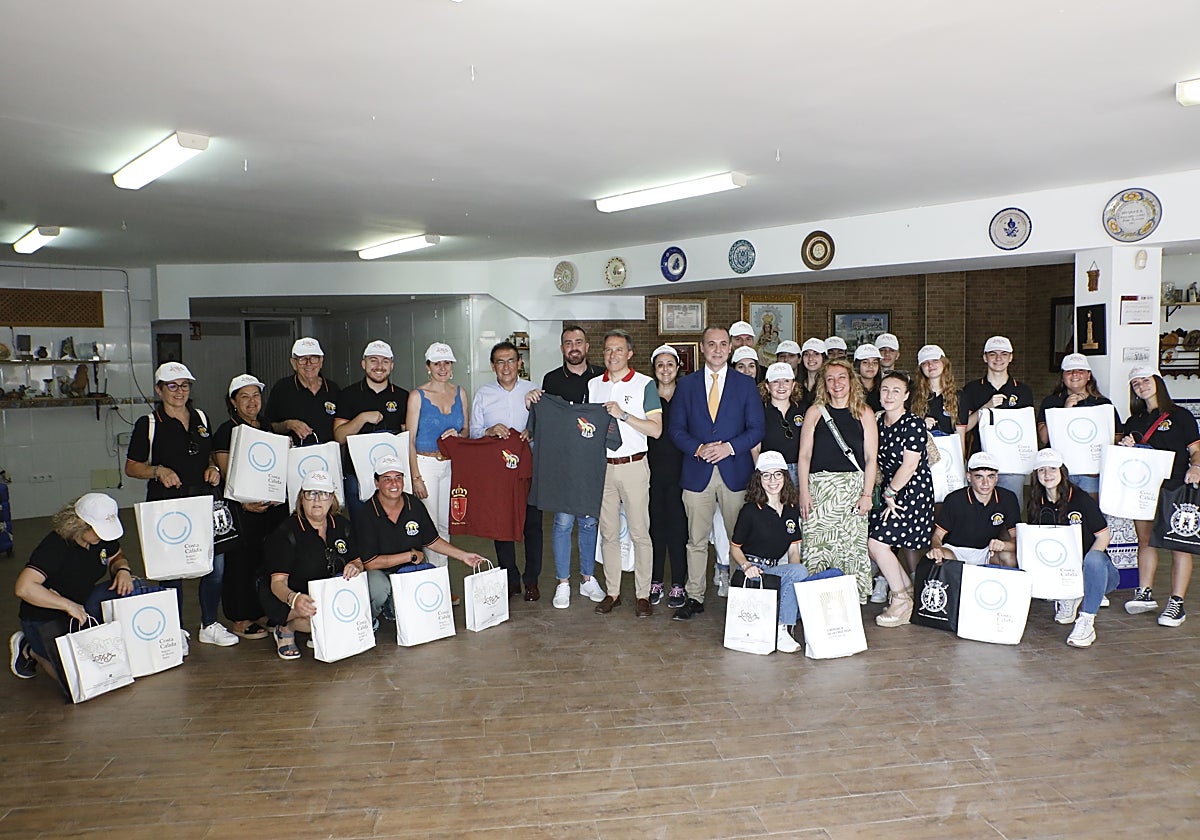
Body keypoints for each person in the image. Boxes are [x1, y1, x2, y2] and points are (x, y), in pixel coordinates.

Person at [125, 362, 237, 647]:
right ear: (159, 389)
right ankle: (174, 630)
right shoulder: (148, 424)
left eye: (184, 385)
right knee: (172, 569)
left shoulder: (200, 417)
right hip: (168, 504)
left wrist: (214, 467)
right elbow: (132, 467)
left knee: (215, 565)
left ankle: (210, 624)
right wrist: (157, 471)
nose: (179, 392)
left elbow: (208, 454)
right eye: (172, 386)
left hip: (205, 500)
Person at [668, 326, 765, 621]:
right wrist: (698, 448)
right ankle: (694, 595)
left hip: (735, 472)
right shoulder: (686, 386)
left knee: (740, 539)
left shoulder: (745, 385)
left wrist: (729, 448)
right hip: (697, 473)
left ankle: (741, 594)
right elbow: (675, 430)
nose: (718, 349)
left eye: (723, 344)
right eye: (712, 344)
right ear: (702, 347)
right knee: (695, 540)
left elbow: (756, 429)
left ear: (731, 348)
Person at [11, 494, 133, 693]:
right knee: (77, 686)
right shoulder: (56, 546)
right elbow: (24, 587)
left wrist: (122, 570)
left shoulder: (101, 540)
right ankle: (31, 649)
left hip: (82, 605)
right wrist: (66, 604)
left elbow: (116, 557)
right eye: (98, 531)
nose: (103, 537)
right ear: (79, 524)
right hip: (46, 614)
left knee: (131, 588)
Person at [352, 456, 485, 623]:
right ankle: (367, 619)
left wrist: (463, 556)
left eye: (398, 478)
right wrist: (410, 556)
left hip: (408, 573)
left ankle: (393, 606)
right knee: (378, 588)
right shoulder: (366, 513)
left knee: (411, 611)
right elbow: (370, 562)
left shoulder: (413, 504)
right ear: (376, 482)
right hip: (380, 574)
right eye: (387, 479)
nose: (394, 484)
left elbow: (432, 540)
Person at [588, 330, 663, 617]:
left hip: (633, 465)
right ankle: (613, 592)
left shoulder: (645, 384)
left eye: (618, 350)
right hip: (603, 467)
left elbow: (656, 430)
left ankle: (642, 595)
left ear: (630, 354)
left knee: (639, 532)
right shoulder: (595, 385)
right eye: (608, 350)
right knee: (608, 533)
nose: (612, 355)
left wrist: (624, 415)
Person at [1119, 366, 1200, 626]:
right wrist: (1126, 446)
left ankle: (1177, 602)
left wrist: (1196, 467)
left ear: (1157, 381)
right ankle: (1145, 592)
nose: (1141, 386)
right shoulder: (1134, 421)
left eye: (1145, 380)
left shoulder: (1181, 416)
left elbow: (1196, 449)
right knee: (1146, 540)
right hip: (1142, 488)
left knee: (1179, 543)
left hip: (1176, 486)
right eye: (1135, 383)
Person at [212, 374, 287, 640]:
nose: (252, 401)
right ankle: (240, 619)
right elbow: (227, 471)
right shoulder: (225, 430)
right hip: (242, 508)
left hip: (270, 507)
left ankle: (260, 611)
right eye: (244, 396)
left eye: (256, 395)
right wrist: (246, 502)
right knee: (239, 563)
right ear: (233, 402)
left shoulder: (266, 426)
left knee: (264, 559)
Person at [796, 359, 878, 601]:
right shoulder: (814, 412)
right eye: (830, 378)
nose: (836, 383)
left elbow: (871, 458)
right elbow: (804, 455)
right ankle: (815, 599)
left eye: (841, 377)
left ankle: (849, 601)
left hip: (853, 489)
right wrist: (804, 491)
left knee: (851, 548)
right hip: (820, 489)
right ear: (824, 384)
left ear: (851, 380)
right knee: (817, 546)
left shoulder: (864, 412)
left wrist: (866, 495)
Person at [261, 470, 363, 660]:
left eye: (324, 494)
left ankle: (317, 628)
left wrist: (356, 566)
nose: (317, 500)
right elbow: (277, 583)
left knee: (342, 618)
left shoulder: (341, 524)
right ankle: (286, 627)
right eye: (311, 493)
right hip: (291, 595)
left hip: (326, 595)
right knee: (322, 619)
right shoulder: (286, 532)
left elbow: (357, 560)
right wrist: (294, 599)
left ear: (332, 499)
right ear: (301, 499)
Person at [539, 325, 606, 608]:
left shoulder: (602, 377)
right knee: (563, 522)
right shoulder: (552, 379)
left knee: (590, 522)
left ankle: (588, 578)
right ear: (562, 348)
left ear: (587, 347)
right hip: (564, 462)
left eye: (579, 342)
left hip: (593, 462)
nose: (574, 347)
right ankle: (563, 582)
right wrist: (534, 400)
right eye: (568, 343)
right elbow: (546, 418)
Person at [469, 341, 543, 600]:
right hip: (498, 472)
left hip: (529, 468)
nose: (506, 366)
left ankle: (532, 579)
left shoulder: (534, 391)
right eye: (500, 362)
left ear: (519, 363)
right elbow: (475, 433)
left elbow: (546, 428)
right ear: (493, 366)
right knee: (501, 525)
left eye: (511, 360)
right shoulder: (483, 394)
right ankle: (509, 577)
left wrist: (532, 432)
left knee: (532, 525)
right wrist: (488, 431)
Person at [1027, 448, 1117, 647]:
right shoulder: (1036, 503)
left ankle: (1086, 621)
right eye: (1041, 470)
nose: (1047, 474)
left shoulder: (1081, 499)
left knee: (1093, 558)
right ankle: (1069, 594)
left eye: (1052, 468)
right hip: (1063, 573)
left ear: (1062, 472)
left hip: (1097, 573)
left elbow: (1103, 536)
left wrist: (1081, 571)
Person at [728, 451, 812, 654]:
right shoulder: (750, 510)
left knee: (801, 573)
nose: (773, 480)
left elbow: (793, 550)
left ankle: (784, 626)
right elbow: (735, 547)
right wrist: (747, 566)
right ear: (759, 479)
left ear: (785, 476)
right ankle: (781, 629)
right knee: (796, 574)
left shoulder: (791, 509)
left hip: (775, 570)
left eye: (777, 474)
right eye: (766, 475)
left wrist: (795, 575)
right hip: (754, 571)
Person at [868, 371, 934, 627]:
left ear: (906, 395)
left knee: (877, 544)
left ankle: (900, 599)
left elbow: (909, 466)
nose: (889, 395)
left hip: (911, 492)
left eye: (896, 390)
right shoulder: (878, 421)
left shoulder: (912, 423)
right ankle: (906, 594)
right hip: (890, 491)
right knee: (874, 546)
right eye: (885, 390)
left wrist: (890, 492)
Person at [406, 342, 469, 571]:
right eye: (437, 363)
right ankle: (434, 582)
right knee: (430, 527)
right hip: (425, 464)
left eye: (446, 363)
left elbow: (466, 431)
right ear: (428, 367)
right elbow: (409, 440)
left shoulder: (460, 392)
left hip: (450, 465)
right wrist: (416, 477)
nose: (442, 368)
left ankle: (440, 580)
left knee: (445, 525)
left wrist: (457, 433)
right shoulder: (417, 396)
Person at [959, 335, 1035, 516]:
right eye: (993, 354)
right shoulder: (971, 389)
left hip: (1013, 461)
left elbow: (1028, 429)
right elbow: (966, 426)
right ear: (985, 357)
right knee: (977, 509)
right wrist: (985, 408)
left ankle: (1008, 544)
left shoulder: (1022, 391)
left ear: (1011, 357)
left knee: (1010, 509)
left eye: (1003, 354)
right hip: (980, 457)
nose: (998, 359)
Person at [333, 340, 409, 518]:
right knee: (361, 529)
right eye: (373, 360)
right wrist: (362, 418)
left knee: (392, 529)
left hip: (392, 479)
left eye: (385, 361)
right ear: (363, 363)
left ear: (392, 365)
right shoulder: (347, 395)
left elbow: (408, 438)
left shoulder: (403, 396)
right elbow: (339, 437)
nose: (379, 366)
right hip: (357, 477)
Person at [1037, 353, 1119, 495]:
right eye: (1069, 371)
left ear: (1088, 376)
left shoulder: (1102, 403)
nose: (1075, 374)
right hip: (1059, 471)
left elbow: (1116, 436)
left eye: (1080, 370)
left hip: (1090, 472)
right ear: (1063, 377)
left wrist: (1099, 463)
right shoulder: (1051, 402)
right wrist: (1065, 411)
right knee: (1060, 510)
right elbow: (1044, 438)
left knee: (1088, 511)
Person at [647, 345, 689, 609]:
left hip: (682, 472)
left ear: (677, 367)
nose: (665, 369)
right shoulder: (646, 395)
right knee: (655, 529)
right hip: (651, 472)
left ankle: (678, 584)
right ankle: (655, 580)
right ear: (654, 369)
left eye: (670, 364)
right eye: (660, 365)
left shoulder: (687, 394)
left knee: (678, 530)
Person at [926, 451, 1018, 567]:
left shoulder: (1007, 498)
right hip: (954, 550)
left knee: (1010, 557)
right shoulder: (955, 499)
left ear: (996, 478)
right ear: (969, 477)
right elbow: (937, 536)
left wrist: (1004, 545)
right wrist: (936, 549)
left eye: (990, 476)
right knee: (940, 559)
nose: (985, 483)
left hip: (986, 551)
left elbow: (1017, 539)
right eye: (979, 477)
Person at [266, 337, 341, 447]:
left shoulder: (334, 389)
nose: (308, 364)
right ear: (293, 363)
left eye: (314, 358)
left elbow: (341, 428)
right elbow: (269, 426)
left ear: (321, 362)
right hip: (295, 458)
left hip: (328, 458)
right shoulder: (281, 389)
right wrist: (288, 424)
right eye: (302, 359)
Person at [755, 362, 808, 486]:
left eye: (786, 381)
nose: (781, 386)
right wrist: (761, 471)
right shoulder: (759, 411)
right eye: (775, 381)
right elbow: (755, 447)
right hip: (771, 471)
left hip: (800, 470)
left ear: (793, 384)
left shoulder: (804, 409)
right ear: (767, 386)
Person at [911, 344, 964, 438]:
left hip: (948, 450)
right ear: (921, 369)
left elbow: (960, 436)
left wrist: (960, 453)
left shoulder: (959, 396)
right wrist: (921, 425)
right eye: (925, 363)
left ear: (944, 363)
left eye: (935, 360)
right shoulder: (912, 395)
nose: (930, 365)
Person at [853, 343, 882, 411]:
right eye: (865, 362)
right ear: (857, 365)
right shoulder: (850, 389)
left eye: (874, 363)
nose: (870, 366)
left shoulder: (883, 388)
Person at [798, 338, 826, 404]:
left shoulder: (828, 385)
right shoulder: (796, 385)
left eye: (816, 354)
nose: (810, 358)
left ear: (823, 357)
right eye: (806, 354)